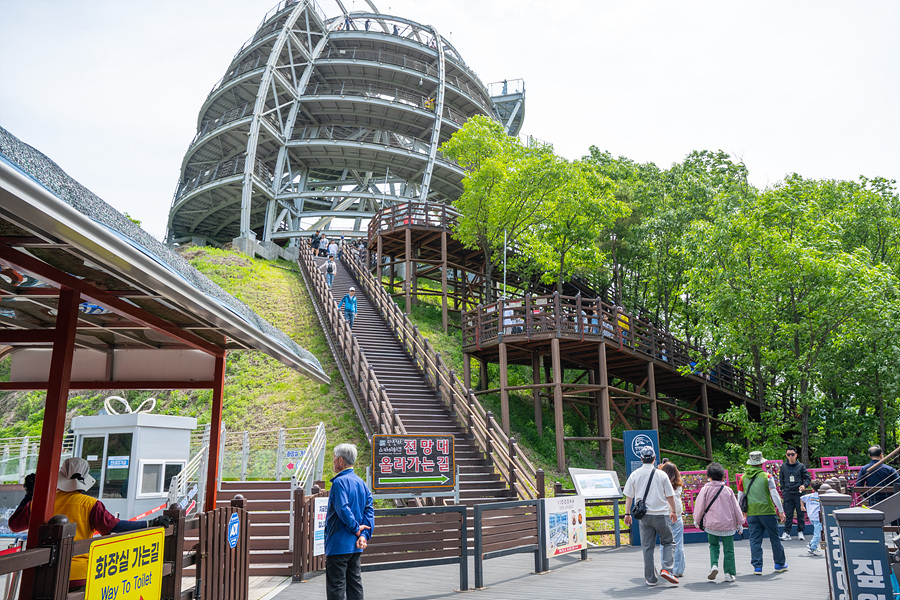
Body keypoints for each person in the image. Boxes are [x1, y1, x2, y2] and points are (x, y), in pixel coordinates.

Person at [9, 458, 171, 591]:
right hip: (78, 575)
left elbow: (14, 525)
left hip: (43, 572)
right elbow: (114, 526)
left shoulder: (42, 502)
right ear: (86, 480)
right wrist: (149, 523)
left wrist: (30, 495)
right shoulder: (90, 504)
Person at [623, 446, 679, 586]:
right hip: (661, 515)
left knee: (647, 547)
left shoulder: (635, 474)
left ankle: (651, 578)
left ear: (641, 459)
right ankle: (667, 568)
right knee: (668, 542)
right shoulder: (662, 475)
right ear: (654, 458)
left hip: (644, 517)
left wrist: (627, 513)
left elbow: (629, 496)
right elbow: (670, 496)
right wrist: (674, 511)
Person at [325, 443, 374, 600]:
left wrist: (356, 529)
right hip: (356, 545)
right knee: (355, 584)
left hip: (339, 543)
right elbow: (369, 509)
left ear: (340, 461)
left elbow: (343, 509)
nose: (333, 461)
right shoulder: (361, 483)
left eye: (334, 458)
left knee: (336, 586)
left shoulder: (339, 482)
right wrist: (364, 535)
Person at [692, 462, 743, 583]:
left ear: (709, 477)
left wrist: (696, 519)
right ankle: (728, 573)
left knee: (713, 546)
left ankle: (714, 565)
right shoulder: (728, 490)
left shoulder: (705, 489)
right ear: (722, 477)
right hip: (728, 525)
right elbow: (736, 508)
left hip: (711, 524)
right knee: (728, 549)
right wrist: (740, 522)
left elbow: (699, 506)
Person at [738, 451, 787, 575]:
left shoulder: (743, 478)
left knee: (754, 540)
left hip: (752, 513)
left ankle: (757, 567)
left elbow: (740, 496)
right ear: (761, 464)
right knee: (774, 538)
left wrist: (742, 511)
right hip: (767, 512)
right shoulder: (767, 477)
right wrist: (781, 511)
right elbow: (774, 495)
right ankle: (779, 564)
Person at [778, 445, 810, 540]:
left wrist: (804, 485)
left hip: (799, 492)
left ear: (796, 455)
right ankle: (786, 532)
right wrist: (783, 489)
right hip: (788, 492)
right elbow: (781, 478)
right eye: (788, 454)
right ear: (786, 455)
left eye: (792, 454)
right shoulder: (783, 466)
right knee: (788, 513)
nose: (791, 456)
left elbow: (807, 477)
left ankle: (800, 531)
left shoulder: (801, 466)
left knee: (800, 513)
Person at [659, 462, 685, 578]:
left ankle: (666, 567)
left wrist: (659, 469)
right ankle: (678, 569)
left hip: (665, 514)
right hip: (677, 514)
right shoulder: (678, 485)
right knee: (678, 543)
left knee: (665, 543)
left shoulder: (661, 483)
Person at [800, 479, 823, 556]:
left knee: (818, 531)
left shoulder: (810, 496)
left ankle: (812, 544)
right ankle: (812, 546)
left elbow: (802, 498)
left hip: (812, 516)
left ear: (812, 489)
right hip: (818, 517)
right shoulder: (821, 496)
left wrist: (802, 506)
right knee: (818, 533)